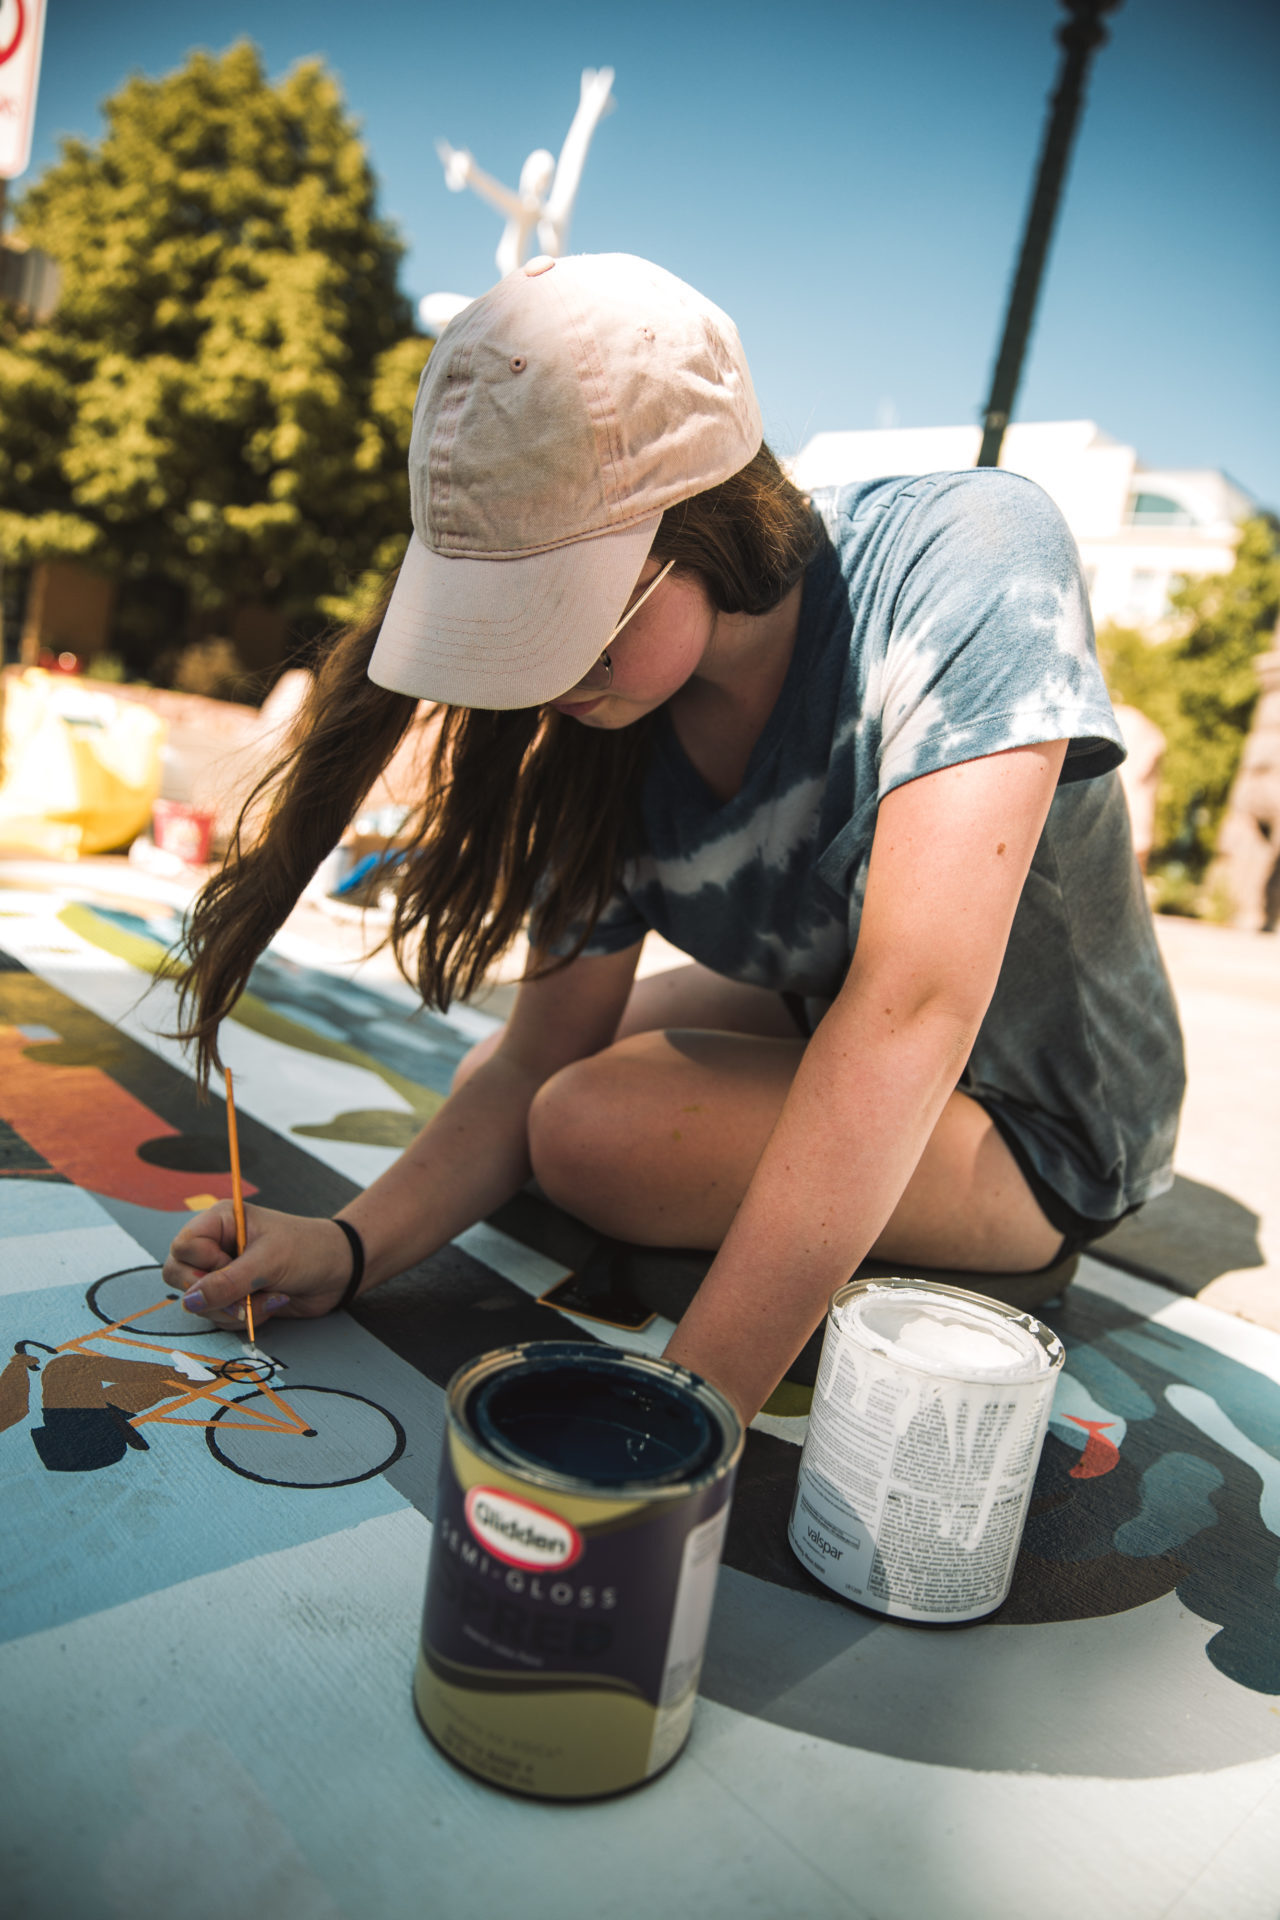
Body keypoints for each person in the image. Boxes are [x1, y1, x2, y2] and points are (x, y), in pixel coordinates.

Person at [163, 253, 1185, 1426]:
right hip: (834, 1008)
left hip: (1046, 1114)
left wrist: (688, 1412)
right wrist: (346, 1246)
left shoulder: (968, 554)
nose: (538, 678)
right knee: (515, 1081)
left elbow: (909, 1010)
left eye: (564, 615)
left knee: (587, 1130)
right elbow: (544, 1046)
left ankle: (982, 1233)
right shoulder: (610, 724)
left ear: (699, 519)